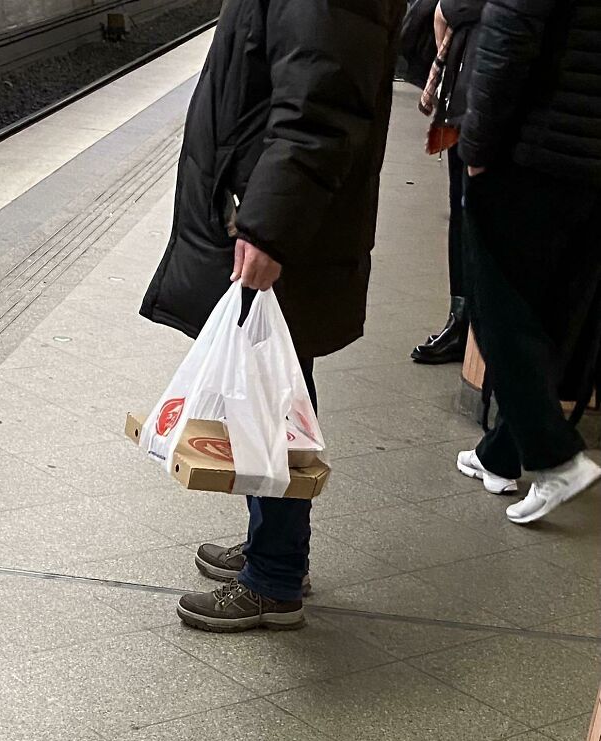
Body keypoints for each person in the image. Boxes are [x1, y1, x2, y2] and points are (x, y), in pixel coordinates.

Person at [140, 0, 405, 632]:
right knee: (273, 378)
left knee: (274, 385)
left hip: (280, 221)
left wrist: (269, 229)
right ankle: (274, 548)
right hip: (269, 206)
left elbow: (319, 106)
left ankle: (276, 579)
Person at [455, 0, 601, 523]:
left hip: (530, 152)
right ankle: (502, 454)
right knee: (553, 314)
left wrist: (475, 146)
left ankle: (557, 458)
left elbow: (508, 40)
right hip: (590, 163)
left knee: (499, 309)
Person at [409, 0, 485, 365]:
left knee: (468, 214)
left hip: (475, 105)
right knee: (462, 212)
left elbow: (442, 12)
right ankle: (463, 319)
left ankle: (466, 323)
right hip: (468, 100)